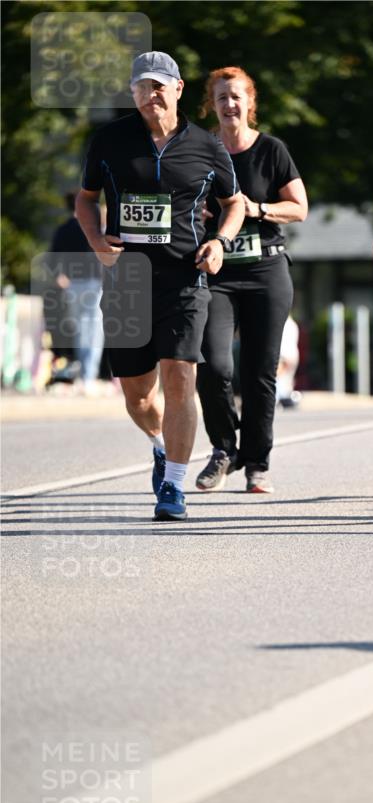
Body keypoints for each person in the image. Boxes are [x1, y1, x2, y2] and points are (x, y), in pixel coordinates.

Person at [75, 51, 244, 520]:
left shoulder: (208, 147)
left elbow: (234, 204)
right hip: (127, 280)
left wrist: (220, 243)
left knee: (180, 376)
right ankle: (158, 443)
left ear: (178, 89)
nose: (149, 95)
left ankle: (173, 486)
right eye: (141, 87)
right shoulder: (109, 141)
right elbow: (85, 201)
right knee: (138, 395)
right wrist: (95, 242)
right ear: (132, 93)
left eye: (158, 86)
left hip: (184, 279)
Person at [195, 66, 308, 495]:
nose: (229, 104)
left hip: (265, 269)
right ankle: (224, 448)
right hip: (217, 271)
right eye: (221, 97)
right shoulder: (201, 150)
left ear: (250, 103)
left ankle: (257, 463)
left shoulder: (271, 150)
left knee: (261, 371)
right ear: (213, 104)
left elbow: (299, 208)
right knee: (213, 363)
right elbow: (179, 198)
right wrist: (197, 212)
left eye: (237, 96)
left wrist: (257, 209)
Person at [50, 192, 104, 394]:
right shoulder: (92, 227)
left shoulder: (64, 229)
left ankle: (86, 374)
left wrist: (59, 276)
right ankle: (87, 375)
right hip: (89, 283)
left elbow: (53, 258)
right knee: (92, 330)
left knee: (84, 329)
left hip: (76, 284)